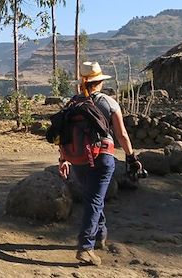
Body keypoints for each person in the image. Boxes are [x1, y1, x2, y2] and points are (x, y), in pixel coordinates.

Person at [57, 61, 141, 266]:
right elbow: (121, 134)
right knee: (94, 199)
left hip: (78, 158)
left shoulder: (72, 104)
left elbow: (64, 135)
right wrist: (132, 157)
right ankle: (86, 248)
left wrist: (63, 159)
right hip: (101, 157)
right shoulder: (108, 103)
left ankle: (100, 235)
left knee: (93, 196)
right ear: (99, 82)